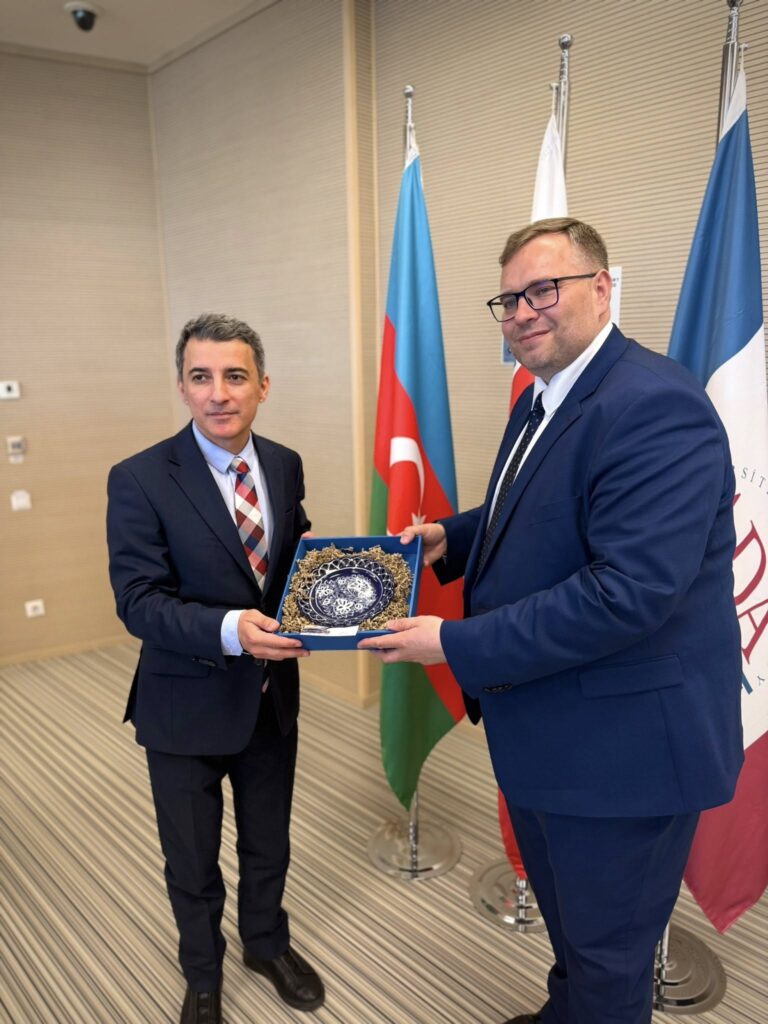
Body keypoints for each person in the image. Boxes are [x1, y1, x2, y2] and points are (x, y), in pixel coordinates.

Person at [359, 218, 744, 1024]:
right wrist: (452, 537)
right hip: (551, 732)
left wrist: (451, 641)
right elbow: (543, 511)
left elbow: (627, 592)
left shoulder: (653, 404)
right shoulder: (547, 396)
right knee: (574, 936)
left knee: (609, 962)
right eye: (509, 299)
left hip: (624, 756)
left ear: (602, 289)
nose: (523, 312)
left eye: (544, 289)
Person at [107, 313, 324, 1024]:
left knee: (269, 841)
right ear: (182, 386)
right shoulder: (139, 478)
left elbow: (288, 561)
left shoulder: (284, 463)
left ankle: (266, 944)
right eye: (201, 377)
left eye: (235, 376)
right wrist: (231, 630)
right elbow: (138, 602)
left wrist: (340, 599)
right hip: (184, 706)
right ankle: (202, 973)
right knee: (192, 858)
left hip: (269, 699)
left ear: (263, 385)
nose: (218, 393)